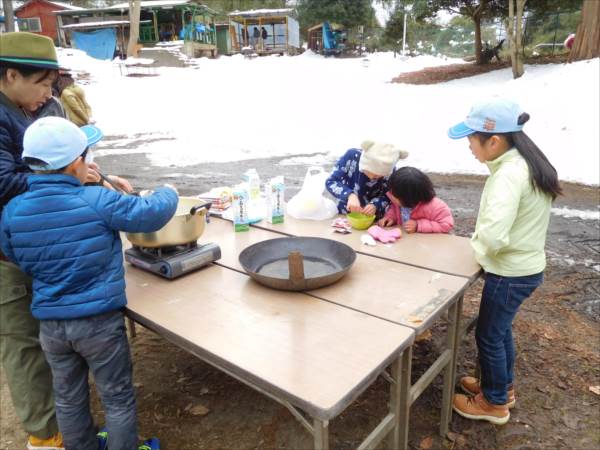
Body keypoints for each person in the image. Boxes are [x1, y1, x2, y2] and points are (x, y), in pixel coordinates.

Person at [1, 116, 177, 450]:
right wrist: (168, 191)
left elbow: (13, 253)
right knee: (117, 397)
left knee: (67, 397)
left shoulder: (13, 210)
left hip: (51, 325)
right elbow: (150, 212)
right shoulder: (95, 201)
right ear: (76, 164)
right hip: (98, 324)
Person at [447, 99, 562, 425]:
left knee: (488, 335)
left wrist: (476, 255)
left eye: (471, 138)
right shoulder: (526, 164)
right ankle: (502, 387)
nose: (469, 145)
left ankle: (494, 403)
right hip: (525, 268)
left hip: (510, 273)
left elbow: (494, 237)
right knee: (498, 331)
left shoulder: (508, 176)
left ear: (493, 141)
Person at [0, 31, 66, 450]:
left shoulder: (24, 108)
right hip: (4, 252)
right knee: (22, 342)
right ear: (9, 76)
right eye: (41, 83)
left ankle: (58, 418)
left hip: (30, 242)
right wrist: (63, 176)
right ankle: (45, 437)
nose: (47, 93)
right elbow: (3, 182)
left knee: (43, 337)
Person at [325, 140, 408, 219]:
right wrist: (350, 195)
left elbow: (389, 195)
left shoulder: (390, 169)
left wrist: (375, 205)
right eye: (368, 172)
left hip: (374, 217)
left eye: (378, 176)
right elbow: (331, 181)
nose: (372, 177)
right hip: (344, 212)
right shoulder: (352, 156)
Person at [378, 166, 454, 233]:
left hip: (425, 244)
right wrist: (390, 218)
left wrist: (418, 225)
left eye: (393, 194)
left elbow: (446, 225)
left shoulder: (436, 207)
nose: (389, 194)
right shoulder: (399, 203)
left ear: (407, 198)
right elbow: (394, 209)